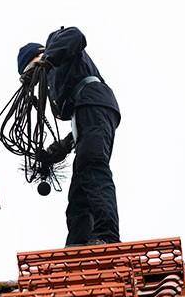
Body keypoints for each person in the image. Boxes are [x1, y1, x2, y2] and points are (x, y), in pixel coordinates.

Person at [17, 26, 121, 247]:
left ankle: (107, 236)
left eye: (31, 70)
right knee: (78, 193)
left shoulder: (56, 44)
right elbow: (83, 123)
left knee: (92, 167)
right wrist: (62, 147)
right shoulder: (58, 88)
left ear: (38, 57)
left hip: (94, 102)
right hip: (87, 113)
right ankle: (76, 246)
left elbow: (76, 34)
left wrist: (48, 60)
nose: (35, 79)